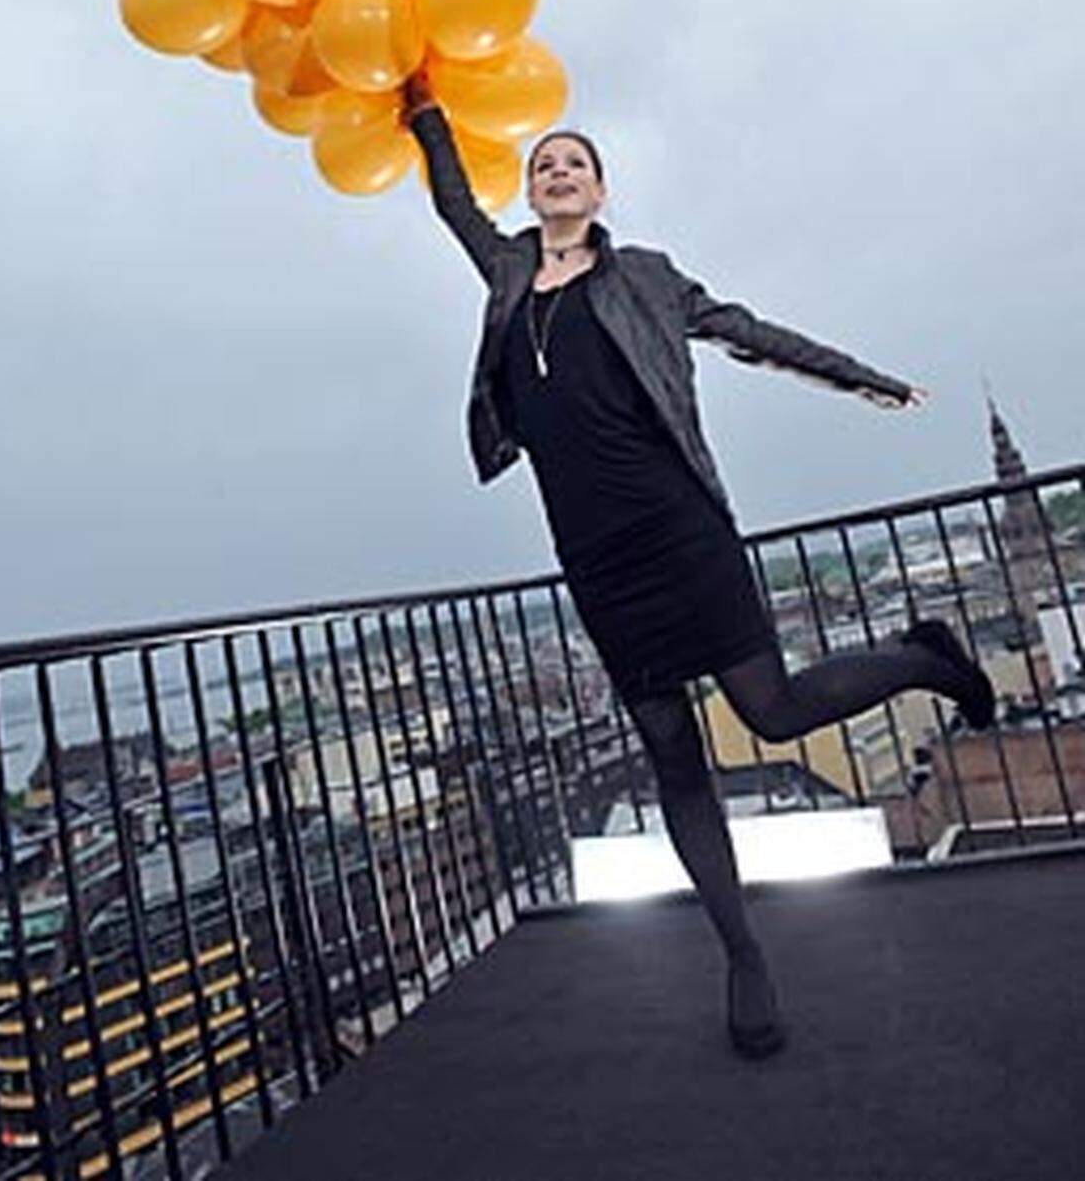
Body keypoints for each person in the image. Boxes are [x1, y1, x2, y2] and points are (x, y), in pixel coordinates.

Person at [400, 74, 995, 1060]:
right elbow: (452, 199)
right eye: (545, 162)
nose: (557, 171)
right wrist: (425, 108)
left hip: (679, 525)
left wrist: (861, 379)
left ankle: (927, 656)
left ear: (598, 192)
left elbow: (748, 334)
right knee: (672, 750)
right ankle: (742, 954)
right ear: (532, 188)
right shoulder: (505, 273)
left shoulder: (644, 275)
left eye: (575, 163)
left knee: (770, 707)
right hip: (596, 556)